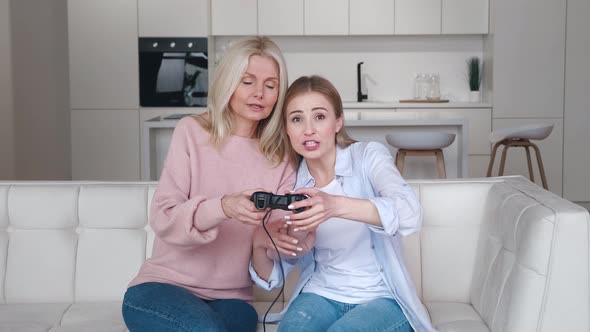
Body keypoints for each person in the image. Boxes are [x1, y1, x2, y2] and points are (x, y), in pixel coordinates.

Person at [122, 36, 298, 332]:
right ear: (228, 82)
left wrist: (277, 241)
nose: (260, 94)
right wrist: (223, 207)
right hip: (163, 287)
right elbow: (163, 217)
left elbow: (269, 264)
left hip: (232, 299)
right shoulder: (191, 132)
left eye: (271, 85)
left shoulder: (281, 157)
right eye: (248, 82)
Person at [250, 75, 437, 332]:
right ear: (286, 128)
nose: (308, 130)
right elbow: (274, 275)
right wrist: (262, 242)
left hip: (381, 297)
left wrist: (334, 205)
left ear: (338, 121)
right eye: (296, 119)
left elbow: (409, 213)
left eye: (319, 116)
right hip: (320, 293)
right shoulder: (291, 185)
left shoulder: (369, 157)